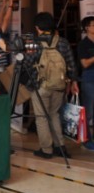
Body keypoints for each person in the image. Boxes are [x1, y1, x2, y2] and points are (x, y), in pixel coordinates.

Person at [23, 12, 79, 159]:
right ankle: (60, 147)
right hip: (59, 85)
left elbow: (26, 64)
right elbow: (71, 64)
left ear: (37, 27)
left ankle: (46, 150)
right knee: (54, 114)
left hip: (40, 86)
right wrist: (73, 82)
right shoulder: (63, 42)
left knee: (41, 117)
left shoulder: (33, 43)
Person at [77, 16, 94, 151]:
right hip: (89, 78)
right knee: (88, 111)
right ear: (87, 28)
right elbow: (84, 63)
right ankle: (86, 139)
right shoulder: (83, 44)